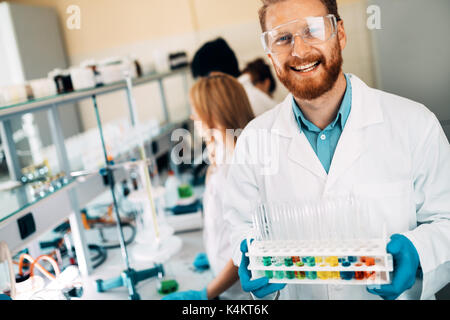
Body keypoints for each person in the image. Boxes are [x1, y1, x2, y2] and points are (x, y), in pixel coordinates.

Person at [224, 0, 450, 300]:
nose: (300, 51)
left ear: (340, 34)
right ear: (269, 54)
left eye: (312, 30)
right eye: (283, 38)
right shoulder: (254, 140)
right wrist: (251, 259)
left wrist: (418, 252)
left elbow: (446, 219)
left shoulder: (415, 123)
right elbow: (240, 227)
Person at [163, 72, 255, 300]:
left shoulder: (237, 167)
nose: (193, 117)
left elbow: (248, 249)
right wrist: (214, 255)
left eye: (197, 110)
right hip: (225, 282)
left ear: (215, 113)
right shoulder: (223, 155)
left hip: (241, 294)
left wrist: (206, 293)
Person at [191, 38, 277, 116]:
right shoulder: (249, 95)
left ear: (215, 75)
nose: (205, 90)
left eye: (202, 83)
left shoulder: (241, 102)